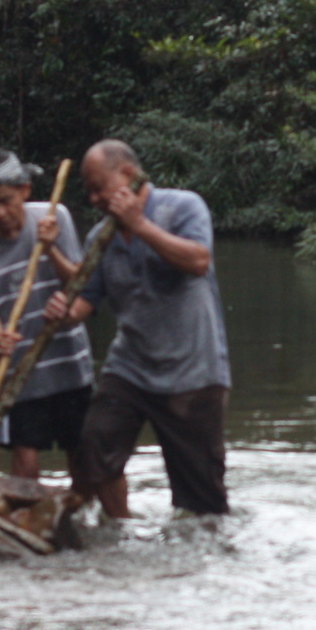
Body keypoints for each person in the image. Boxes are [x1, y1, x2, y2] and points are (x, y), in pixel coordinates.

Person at [44, 140, 231, 519]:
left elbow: (198, 260)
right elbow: (84, 303)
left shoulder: (182, 206)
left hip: (193, 371)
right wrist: (62, 310)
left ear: (128, 174)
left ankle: (201, 564)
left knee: (201, 499)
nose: (94, 197)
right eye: (89, 190)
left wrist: (139, 225)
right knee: (95, 449)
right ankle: (119, 529)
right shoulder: (102, 236)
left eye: (100, 187)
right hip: (131, 367)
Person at [0, 150, 89, 479]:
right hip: (18, 367)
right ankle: (27, 523)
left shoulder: (54, 216)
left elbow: (79, 283)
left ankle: (85, 521)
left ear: (25, 191)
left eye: (6, 201)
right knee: (25, 454)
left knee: (84, 453)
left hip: (69, 361)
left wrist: (51, 248)